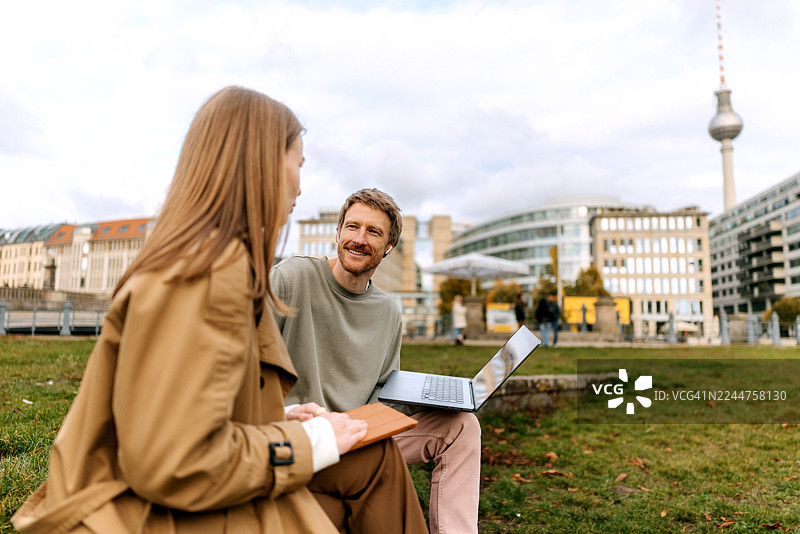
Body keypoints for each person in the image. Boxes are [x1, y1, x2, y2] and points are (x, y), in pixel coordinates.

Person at [11, 87, 426, 534]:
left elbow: (178, 406)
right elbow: (173, 461)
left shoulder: (212, 262)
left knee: (375, 457)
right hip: (140, 514)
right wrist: (313, 439)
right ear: (259, 163)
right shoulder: (206, 276)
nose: (300, 187)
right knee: (365, 469)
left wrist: (276, 419)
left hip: (160, 495)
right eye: (298, 166)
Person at [272, 188, 482, 534]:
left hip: (361, 434)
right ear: (338, 233)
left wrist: (427, 398)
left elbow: (384, 389)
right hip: (302, 432)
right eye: (352, 227)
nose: (359, 239)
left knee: (462, 426)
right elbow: (241, 350)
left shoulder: (388, 311)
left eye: (373, 232)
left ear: (388, 247)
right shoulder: (293, 277)